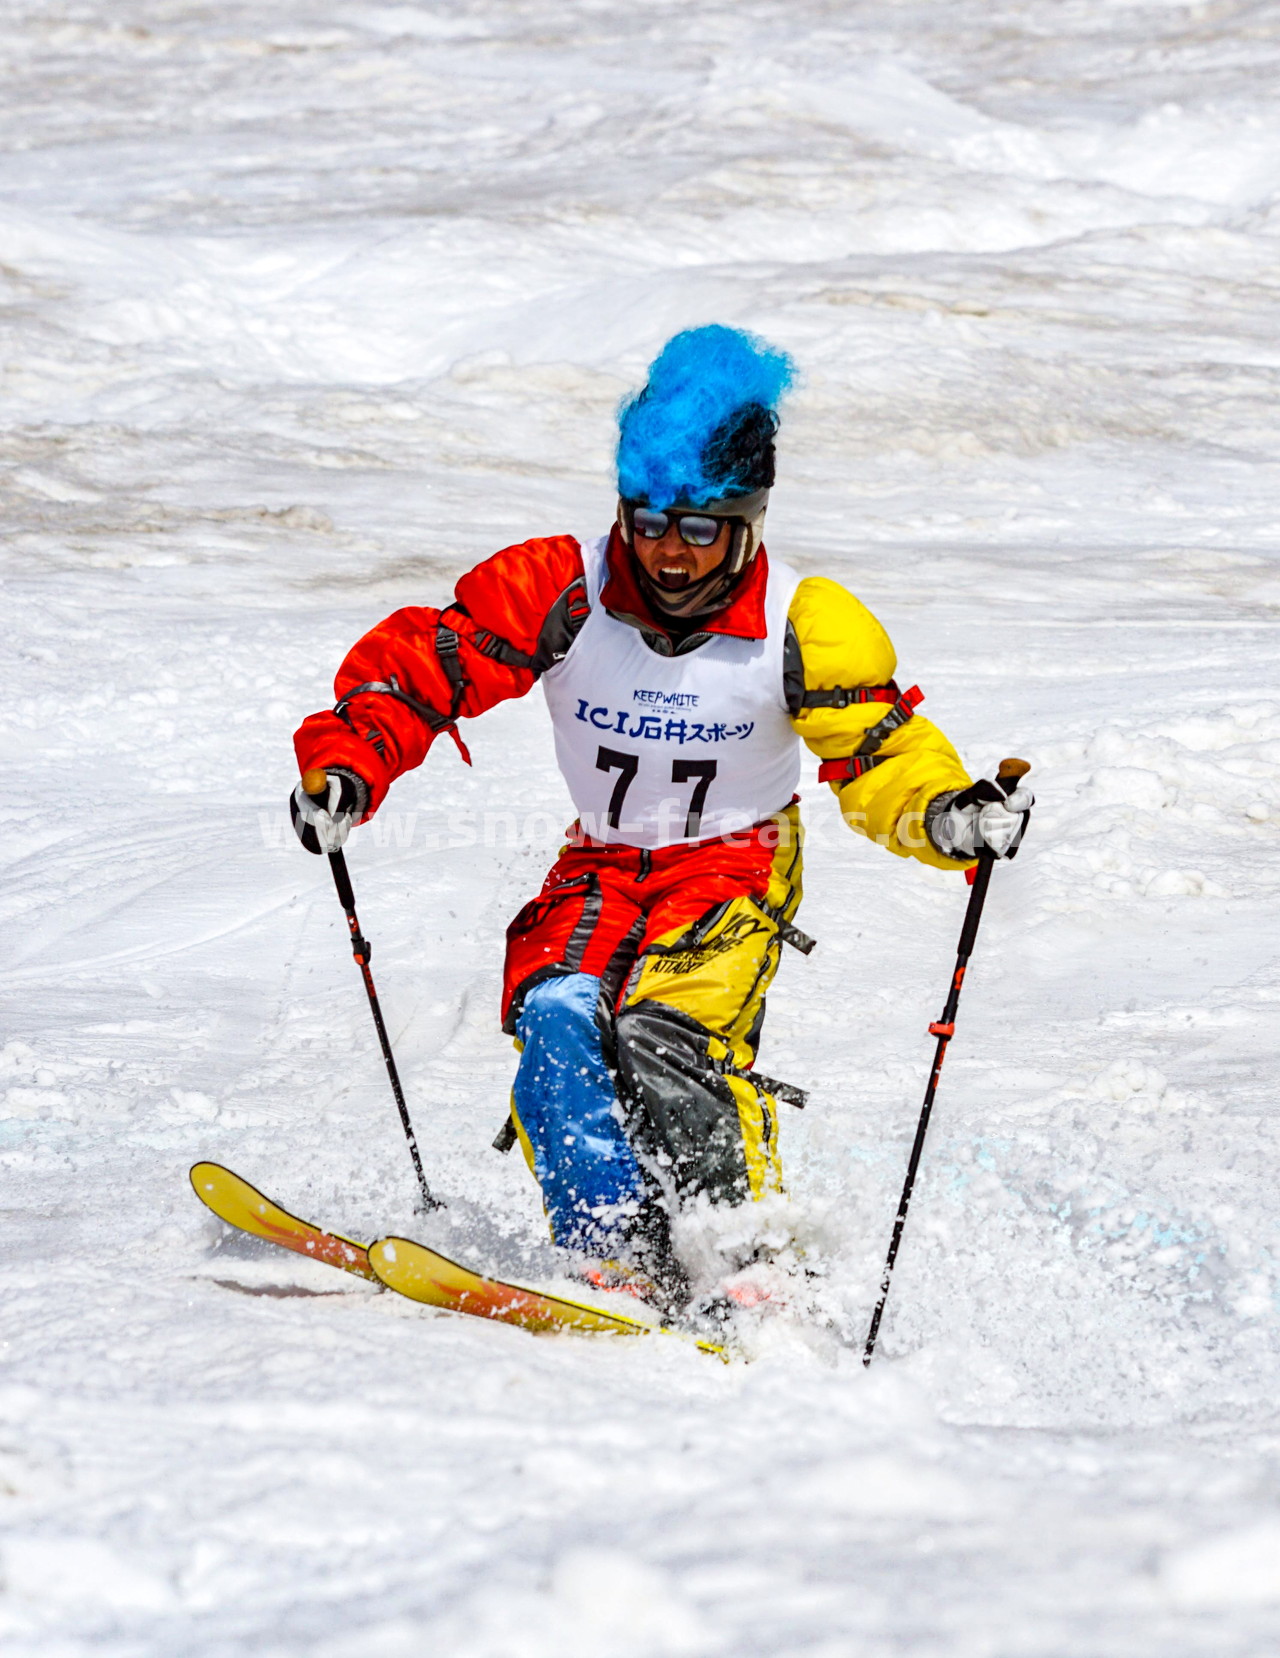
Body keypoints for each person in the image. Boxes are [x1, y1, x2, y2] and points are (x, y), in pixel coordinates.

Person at [289, 325, 1031, 1314]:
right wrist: (345, 767)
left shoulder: (805, 625)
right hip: (600, 860)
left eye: (698, 529)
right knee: (554, 1013)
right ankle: (615, 1249)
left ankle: (746, 1253)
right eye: (647, 522)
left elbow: (879, 756)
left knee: (660, 1031)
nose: (668, 554)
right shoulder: (559, 586)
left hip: (735, 861)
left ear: (748, 522)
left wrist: (944, 815)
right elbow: (424, 668)